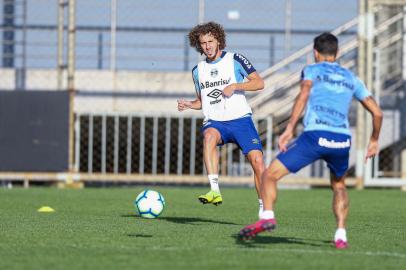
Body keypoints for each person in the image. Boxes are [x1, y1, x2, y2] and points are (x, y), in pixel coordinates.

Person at [238, 32, 383, 249]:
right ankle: (341, 234)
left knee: (269, 175)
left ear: (315, 53)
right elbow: (377, 113)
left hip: (315, 136)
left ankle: (267, 216)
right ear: (338, 52)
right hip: (341, 140)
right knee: (339, 185)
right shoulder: (351, 77)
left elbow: (304, 94)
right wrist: (373, 140)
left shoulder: (312, 70)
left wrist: (289, 128)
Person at [177, 21, 265, 214]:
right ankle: (214, 190)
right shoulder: (198, 71)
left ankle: (263, 208)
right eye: (203, 43)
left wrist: (235, 86)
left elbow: (259, 82)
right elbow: (203, 101)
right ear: (198, 45)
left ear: (219, 41)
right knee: (209, 136)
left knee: (258, 162)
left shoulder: (235, 59)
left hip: (240, 119)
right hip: (216, 122)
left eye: (210, 41)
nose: (207, 46)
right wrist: (189, 104)